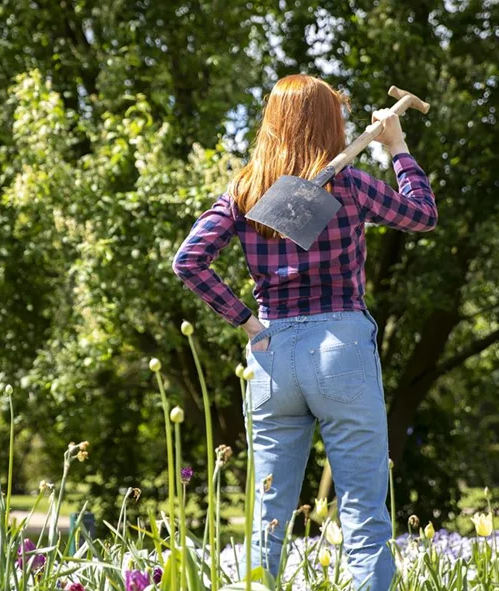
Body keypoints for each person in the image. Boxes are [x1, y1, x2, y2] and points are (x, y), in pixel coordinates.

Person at [172, 73, 437, 590]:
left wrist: (247, 322)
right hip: (342, 348)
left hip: (272, 354)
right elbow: (422, 216)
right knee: (362, 510)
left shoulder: (246, 187)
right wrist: (398, 145)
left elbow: (189, 261)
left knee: (268, 518)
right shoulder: (352, 184)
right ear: (325, 124)